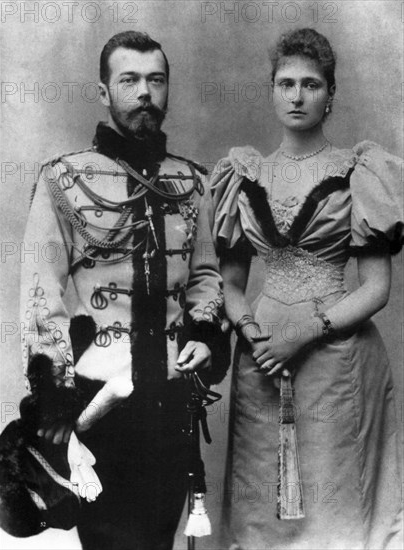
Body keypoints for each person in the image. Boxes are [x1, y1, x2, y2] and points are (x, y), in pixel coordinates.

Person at [20, 30, 227, 550]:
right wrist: (55, 397)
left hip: (174, 395)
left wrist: (205, 331)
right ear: (103, 90)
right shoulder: (63, 180)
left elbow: (205, 275)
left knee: (159, 536)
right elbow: (42, 294)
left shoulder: (193, 183)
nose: (144, 94)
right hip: (98, 400)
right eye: (129, 80)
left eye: (155, 81)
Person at [210, 28, 403, 550]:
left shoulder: (359, 172)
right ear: (272, 90)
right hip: (262, 357)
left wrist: (302, 333)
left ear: (331, 94)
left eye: (311, 85)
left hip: (334, 351)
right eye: (286, 83)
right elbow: (230, 284)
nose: (297, 96)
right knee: (262, 508)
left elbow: (377, 288)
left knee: (334, 502)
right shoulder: (242, 174)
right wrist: (251, 332)